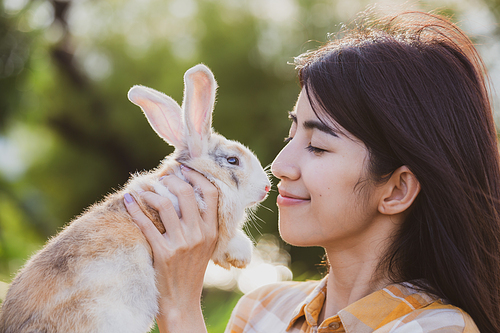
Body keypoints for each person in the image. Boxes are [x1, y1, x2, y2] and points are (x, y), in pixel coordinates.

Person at [123, 10, 500, 333]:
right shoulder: (261, 311)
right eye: (291, 134)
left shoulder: (437, 327)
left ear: (397, 190)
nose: (281, 166)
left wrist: (180, 308)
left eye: (318, 146)